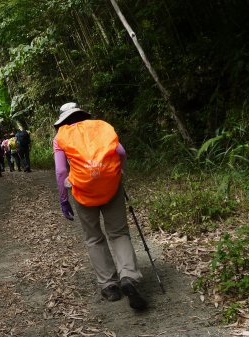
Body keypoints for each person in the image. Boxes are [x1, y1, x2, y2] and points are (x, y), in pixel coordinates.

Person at [52, 102, 147, 310]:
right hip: (111, 187)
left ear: (62, 119)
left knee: (94, 237)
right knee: (119, 233)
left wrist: (63, 199)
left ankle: (110, 286)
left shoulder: (60, 137)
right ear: (82, 114)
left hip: (83, 191)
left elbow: (61, 172)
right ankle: (129, 277)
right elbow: (120, 152)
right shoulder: (101, 126)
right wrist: (117, 171)